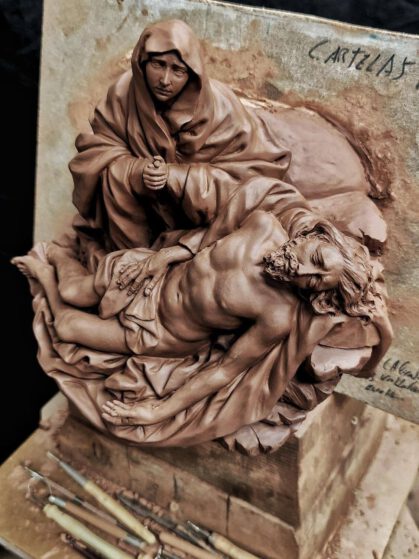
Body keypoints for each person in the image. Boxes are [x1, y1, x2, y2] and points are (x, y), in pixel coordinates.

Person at [13, 210, 388, 428]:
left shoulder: (276, 316)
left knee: (67, 327)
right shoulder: (261, 224)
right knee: (73, 292)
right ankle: (58, 258)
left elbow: (225, 370)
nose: (303, 271)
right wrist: (162, 256)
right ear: (315, 236)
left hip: (158, 331)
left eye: (316, 280)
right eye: (317, 259)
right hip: (148, 277)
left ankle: (45, 276)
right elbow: (204, 239)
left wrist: (156, 411)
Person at [70, 19, 292, 266]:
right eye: (158, 65)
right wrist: (138, 171)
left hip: (201, 224)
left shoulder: (221, 108)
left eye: (178, 70)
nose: (165, 80)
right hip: (146, 214)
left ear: (193, 74)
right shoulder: (124, 93)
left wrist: (176, 177)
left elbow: (253, 180)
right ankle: (130, 263)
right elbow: (97, 151)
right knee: (114, 173)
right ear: (142, 62)